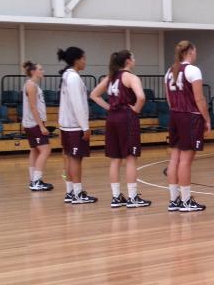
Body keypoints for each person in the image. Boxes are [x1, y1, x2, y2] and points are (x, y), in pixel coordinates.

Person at [90, 50, 151, 209]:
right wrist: (135, 110)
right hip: (126, 118)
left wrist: (109, 107)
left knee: (115, 159)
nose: (135, 59)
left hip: (112, 118)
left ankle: (116, 197)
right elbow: (142, 97)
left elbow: (94, 95)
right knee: (131, 158)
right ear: (128, 61)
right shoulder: (131, 77)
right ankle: (132, 198)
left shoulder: (110, 77)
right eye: (134, 57)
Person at [165, 40, 211, 213]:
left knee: (174, 159)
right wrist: (206, 119)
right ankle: (185, 201)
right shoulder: (193, 70)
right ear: (190, 52)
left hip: (174, 116)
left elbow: (169, 99)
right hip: (190, 117)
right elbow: (199, 99)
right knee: (185, 161)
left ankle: (174, 200)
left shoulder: (169, 71)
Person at [58, 46, 97, 203]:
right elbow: (77, 104)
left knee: (69, 157)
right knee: (75, 159)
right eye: (83, 58)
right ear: (77, 60)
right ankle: (78, 193)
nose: (85, 61)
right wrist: (85, 127)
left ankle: (70, 192)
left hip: (66, 125)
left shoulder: (67, 75)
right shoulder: (73, 77)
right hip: (74, 126)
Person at [21, 60, 53, 192]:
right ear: (33, 71)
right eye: (41, 69)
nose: (43, 71)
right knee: (45, 150)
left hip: (32, 123)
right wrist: (41, 126)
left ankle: (33, 179)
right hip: (34, 123)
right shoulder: (31, 86)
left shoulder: (33, 85)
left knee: (35, 150)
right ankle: (36, 181)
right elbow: (33, 107)